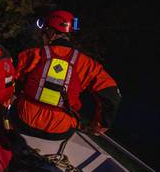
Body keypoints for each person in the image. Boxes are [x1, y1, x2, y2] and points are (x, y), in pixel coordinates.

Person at [11, 10, 121, 140]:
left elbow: (8, 74)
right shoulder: (86, 64)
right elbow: (111, 94)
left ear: (51, 33)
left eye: (45, 32)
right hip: (60, 131)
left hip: (23, 121)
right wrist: (100, 124)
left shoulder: (34, 54)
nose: (43, 37)